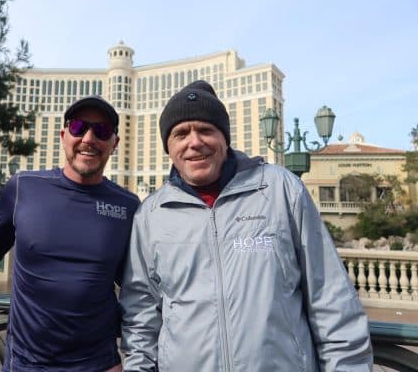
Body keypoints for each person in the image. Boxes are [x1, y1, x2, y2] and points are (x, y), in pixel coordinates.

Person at [119, 80, 373, 371]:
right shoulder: (151, 214)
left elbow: (331, 297)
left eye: (205, 130)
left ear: (224, 138)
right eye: (180, 134)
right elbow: (141, 316)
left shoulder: (279, 189)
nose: (194, 142)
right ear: (169, 146)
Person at [0, 96, 140, 372]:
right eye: (78, 127)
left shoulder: (127, 205)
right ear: (63, 136)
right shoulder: (24, 187)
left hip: (97, 363)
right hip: (27, 363)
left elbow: (135, 283)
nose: (88, 138)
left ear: (114, 143)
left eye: (102, 131)